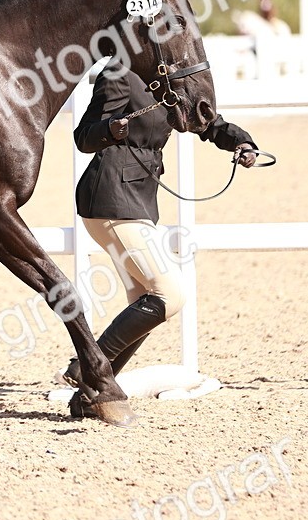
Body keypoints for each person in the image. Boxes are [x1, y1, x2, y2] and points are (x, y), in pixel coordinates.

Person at [60, 62, 259, 388]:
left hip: (139, 199)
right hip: (109, 197)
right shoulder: (119, 74)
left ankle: (92, 393)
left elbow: (208, 123)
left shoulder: (172, 80)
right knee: (169, 295)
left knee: (143, 303)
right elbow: (84, 136)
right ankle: (88, 367)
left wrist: (241, 142)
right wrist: (111, 128)